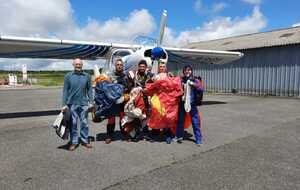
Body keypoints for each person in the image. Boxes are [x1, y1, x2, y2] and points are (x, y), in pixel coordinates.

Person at [61, 58, 94, 151]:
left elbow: (90, 90)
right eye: (76, 64)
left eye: (79, 64)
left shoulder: (87, 76)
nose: (78, 65)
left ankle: (85, 140)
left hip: (84, 104)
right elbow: (65, 91)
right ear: (73, 65)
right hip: (72, 104)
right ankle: (74, 142)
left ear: (82, 65)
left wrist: (91, 102)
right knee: (73, 124)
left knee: (84, 123)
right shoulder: (68, 76)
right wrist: (64, 104)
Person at [174, 65, 204, 145]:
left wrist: (194, 84)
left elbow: (201, 88)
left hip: (192, 104)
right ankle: (179, 136)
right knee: (180, 121)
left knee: (195, 122)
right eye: (186, 70)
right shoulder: (181, 79)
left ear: (191, 71)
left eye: (189, 70)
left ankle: (198, 139)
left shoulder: (195, 79)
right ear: (183, 71)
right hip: (182, 103)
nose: (187, 71)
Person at [105, 58, 131, 144]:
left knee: (123, 118)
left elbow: (129, 88)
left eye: (121, 65)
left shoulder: (126, 76)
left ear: (123, 66)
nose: (119, 66)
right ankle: (109, 135)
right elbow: (106, 88)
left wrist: (127, 95)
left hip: (122, 101)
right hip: (112, 101)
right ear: (115, 66)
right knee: (111, 119)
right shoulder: (110, 76)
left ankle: (125, 134)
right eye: (118, 65)